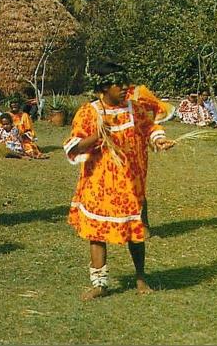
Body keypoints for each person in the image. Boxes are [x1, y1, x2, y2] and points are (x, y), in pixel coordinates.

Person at [63, 62, 175, 300]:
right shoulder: (89, 112)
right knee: (97, 232)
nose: (126, 88)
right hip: (99, 183)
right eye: (119, 84)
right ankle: (100, 283)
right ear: (104, 87)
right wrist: (97, 135)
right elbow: (74, 146)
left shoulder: (135, 109)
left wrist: (159, 140)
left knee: (135, 232)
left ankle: (141, 278)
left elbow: (150, 128)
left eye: (126, 83)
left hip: (130, 182)